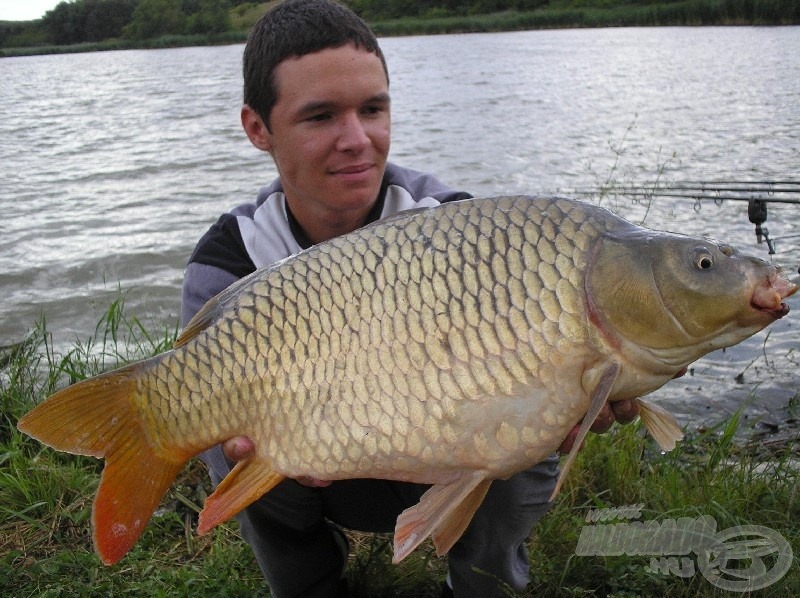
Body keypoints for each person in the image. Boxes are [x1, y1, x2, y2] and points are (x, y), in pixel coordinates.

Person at [181, 1, 639, 596]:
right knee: (230, 443)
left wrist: (578, 387)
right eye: (320, 116)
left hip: (449, 449)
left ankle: (482, 584)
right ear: (257, 128)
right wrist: (240, 441)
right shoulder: (230, 257)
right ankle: (310, 584)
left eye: (373, 109)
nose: (357, 139)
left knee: (524, 436)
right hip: (309, 465)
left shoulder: (455, 227)